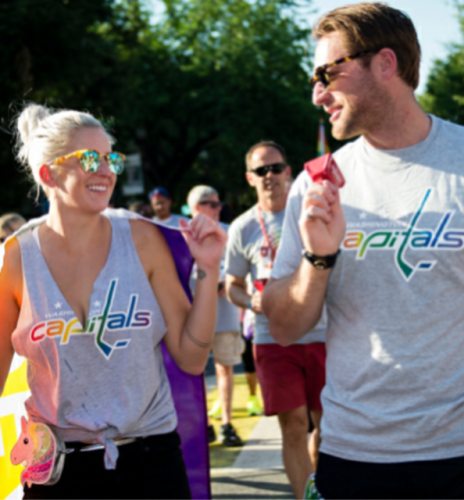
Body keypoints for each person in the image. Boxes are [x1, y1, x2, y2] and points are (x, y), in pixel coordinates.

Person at [262, 3, 464, 499]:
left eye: (328, 72)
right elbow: (284, 327)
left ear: (385, 64)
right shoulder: (316, 183)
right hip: (357, 455)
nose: (317, 93)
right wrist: (317, 259)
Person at [0, 104, 227, 499]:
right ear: (48, 174)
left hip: (151, 462)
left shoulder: (142, 241)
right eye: (90, 158)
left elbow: (191, 359)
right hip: (58, 473)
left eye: (111, 159)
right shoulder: (17, 259)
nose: (105, 170)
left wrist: (207, 272)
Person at [225, 141, 327, 499]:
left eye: (275, 168)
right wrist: (251, 301)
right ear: (249, 178)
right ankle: (304, 496)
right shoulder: (242, 227)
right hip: (273, 339)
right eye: (260, 171)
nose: (269, 176)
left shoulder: (311, 211)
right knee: (294, 425)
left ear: (288, 171)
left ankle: (322, 485)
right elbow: (232, 286)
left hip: (322, 332)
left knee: (327, 424)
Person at [187, 185, 244, 446]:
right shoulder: (183, 234)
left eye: (219, 203)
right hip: (195, 314)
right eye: (212, 204)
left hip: (226, 311)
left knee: (226, 368)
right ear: (196, 208)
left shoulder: (230, 231)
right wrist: (208, 283)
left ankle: (227, 423)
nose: (218, 208)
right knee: (196, 370)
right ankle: (206, 425)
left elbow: (238, 269)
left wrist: (225, 284)